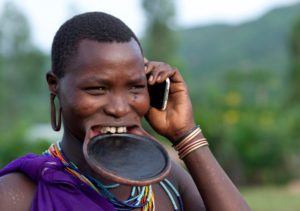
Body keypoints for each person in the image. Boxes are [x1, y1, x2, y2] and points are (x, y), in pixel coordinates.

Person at [0, 12, 250, 211]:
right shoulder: (18, 194)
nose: (119, 108)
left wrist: (185, 134)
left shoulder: (167, 183)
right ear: (54, 85)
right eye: (97, 88)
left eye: (135, 87)